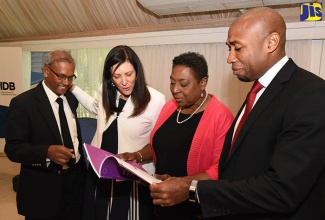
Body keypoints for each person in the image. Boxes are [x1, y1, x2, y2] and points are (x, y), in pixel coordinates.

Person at [149, 6, 325, 220]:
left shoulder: (310, 92)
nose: (229, 58)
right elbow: (238, 168)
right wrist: (183, 182)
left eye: (237, 48)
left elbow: (282, 190)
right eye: (228, 48)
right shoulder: (258, 91)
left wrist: (191, 189)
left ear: (271, 42)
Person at [121, 51, 234, 219]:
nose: (175, 90)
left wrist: (181, 185)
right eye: (172, 82)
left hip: (195, 209)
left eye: (183, 84)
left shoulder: (221, 116)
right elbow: (157, 146)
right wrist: (136, 156)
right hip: (162, 204)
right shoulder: (169, 108)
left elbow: (219, 170)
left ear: (203, 82)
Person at [70, 45, 165, 220]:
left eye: (129, 74)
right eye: (117, 76)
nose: (124, 82)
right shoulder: (106, 91)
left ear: (137, 71)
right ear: (110, 77)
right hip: (100, 166)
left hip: (130, 173)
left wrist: (137, 156)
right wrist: (73, 88)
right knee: (97, 211)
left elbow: (158, 143)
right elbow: (94, 107)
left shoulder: (156, 99)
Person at [5, 50, 87, 220]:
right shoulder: (23, 103)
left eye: (71, 77)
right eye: (61, 76)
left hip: (76, 183)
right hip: (43, 188)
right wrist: (46, 152)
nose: (66, 82)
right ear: (46, 71)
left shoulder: (71, 99)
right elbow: (13, 148)